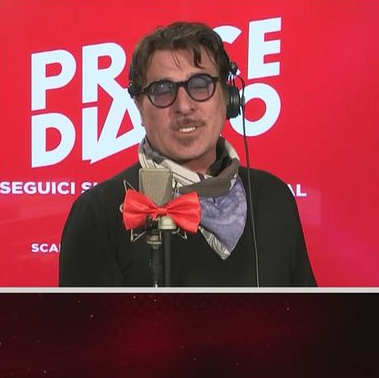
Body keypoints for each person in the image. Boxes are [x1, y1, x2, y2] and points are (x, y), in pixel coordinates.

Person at [59, 22, 316, 287]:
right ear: (139, 106)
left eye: (200, 85)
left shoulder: (272, 197)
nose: (183, 106)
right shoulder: (98, 212)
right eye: (162, 90)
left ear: (228, 98)